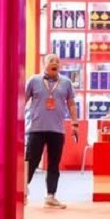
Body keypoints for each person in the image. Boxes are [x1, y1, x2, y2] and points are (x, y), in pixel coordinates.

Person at [25, 54, 79, 209]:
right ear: (44, 64)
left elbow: (71, 104)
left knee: (54, 164)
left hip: (57, 130)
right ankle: (21, 191)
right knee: (31, 161)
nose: (55, 63)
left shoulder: (66, 82)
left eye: (57, 61)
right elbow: (23, 100)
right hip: (36, 129)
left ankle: (51, 196)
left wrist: (74, 124)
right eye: (51, 61)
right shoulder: (34, 80)